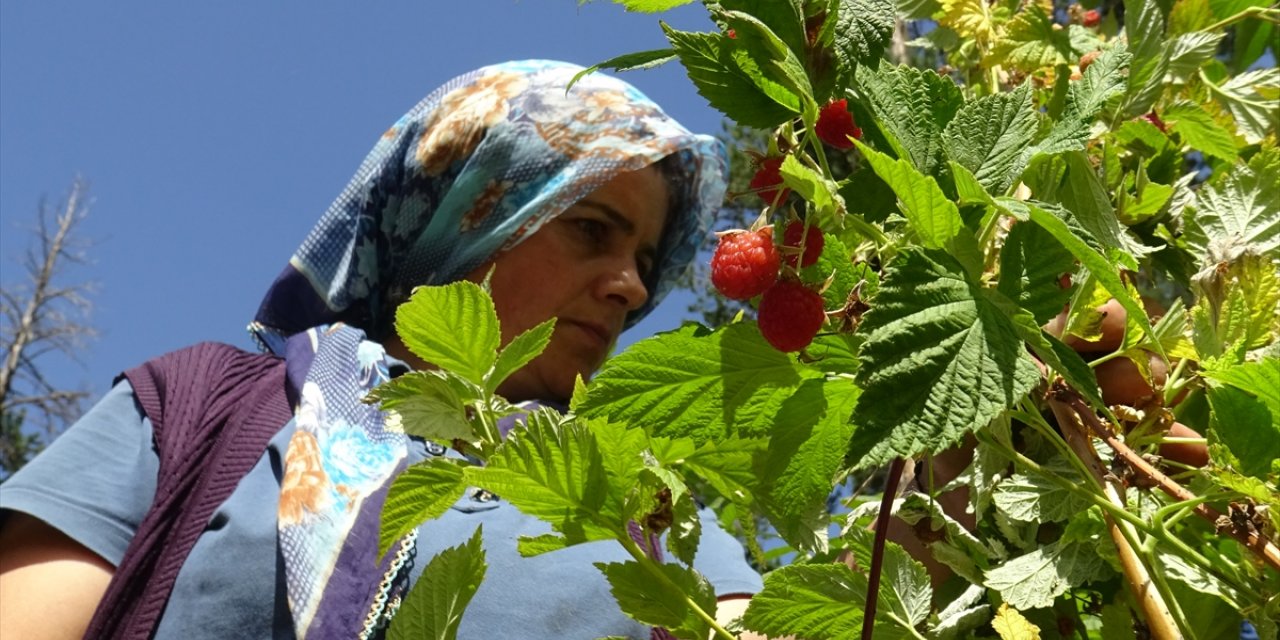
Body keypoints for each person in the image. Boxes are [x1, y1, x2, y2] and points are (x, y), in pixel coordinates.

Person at [0, 60, 763, 640]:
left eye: (647, 260)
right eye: (592, 229)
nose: (631, 286)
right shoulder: (199, 409)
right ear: (470, 217)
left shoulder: (643, 499)